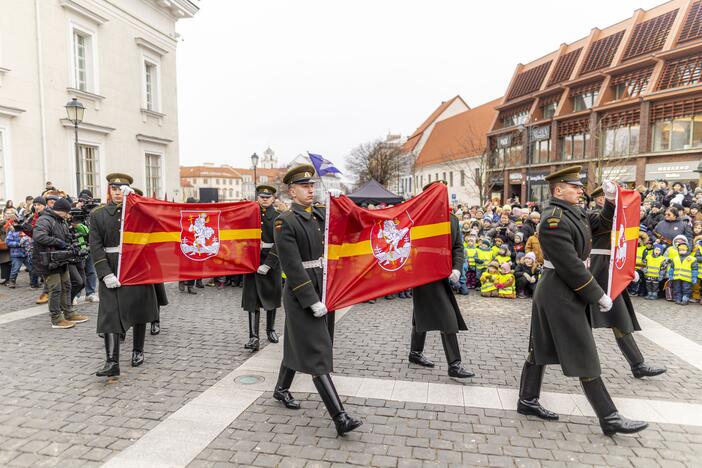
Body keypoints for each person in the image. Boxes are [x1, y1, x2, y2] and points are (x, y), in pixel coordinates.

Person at [516, 166, 647, 436]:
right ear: (558, 190)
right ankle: (609, 416)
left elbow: (601, 223)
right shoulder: (553, 219)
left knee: (540, 348)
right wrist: (597, 294)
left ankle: (527, 400)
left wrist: (611, 201)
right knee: (584, 351)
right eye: (574, 186)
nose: (579, 190)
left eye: (579, 186)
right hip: (559, 292)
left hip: (560, 291)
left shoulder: (572, 212)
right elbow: (570, 265)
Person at [271, 164, 362, 436]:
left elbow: (349, 227)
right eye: (304, 186)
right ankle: (340, 417)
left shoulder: (320, 215)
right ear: (292, 191)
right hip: (303, 294)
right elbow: (293, 265)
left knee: (301, 343)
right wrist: (310, 299)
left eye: (312, 186)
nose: (310, 190)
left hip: (325, 289)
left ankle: (281, 389)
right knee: (317, 352)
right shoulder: (284, 221)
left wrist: (341, 204)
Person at [587, 187, 666, 379]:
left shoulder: (617, 217)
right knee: (575, 319)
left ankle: (637, 364)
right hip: (597, 270)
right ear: (600, 199)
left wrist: (627, 270)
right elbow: (606, 225)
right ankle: (552, 356)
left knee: (619, 319)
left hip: (611, 271)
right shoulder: (593, 216)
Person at [91, 174, 159, 377]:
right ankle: (112, 362)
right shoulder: (98, 214)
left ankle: (138, 350)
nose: (118, 192)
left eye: (122, 189)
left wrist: (139, 204)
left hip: (136, 265)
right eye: (114, 188)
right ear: (109, 190)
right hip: (111, 266)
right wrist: (105, 273)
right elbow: (95, 245)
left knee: (139, 310)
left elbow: (156, 222)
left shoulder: (139, 211)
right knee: (109, 314)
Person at [408, 181, 474, 379]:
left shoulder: (451, 219)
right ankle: (454, 364)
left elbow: (458, 247)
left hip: (444, 275)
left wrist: (456, 268)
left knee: (421, 312)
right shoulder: (418, 219)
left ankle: (415, 352)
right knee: (447, 317)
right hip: (425, 274)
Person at [32, 197, 89, 329]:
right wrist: (59, 242)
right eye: (67, 212)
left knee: (67, 285)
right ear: (62, 211)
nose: (69, 215)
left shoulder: (60, 221)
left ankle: (68, 313)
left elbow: (65, 236)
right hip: (48, 260)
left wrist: (71, 241)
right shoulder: (45, 219)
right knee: (55, 289)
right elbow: (39, 236)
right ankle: (56, 319)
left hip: (61, 259)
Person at [242, 185, 282, 352]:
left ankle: (270, 330)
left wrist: (269, 264)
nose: (265, 199)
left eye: (268, 196)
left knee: (271, 298)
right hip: (252, 261)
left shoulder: (279, 216)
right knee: (253, 300)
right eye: (261, 196)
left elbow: (281, 242)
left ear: (273, 198)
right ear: (257, 197)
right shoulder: (250, 214)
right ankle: (253, 337)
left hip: (271, 262)